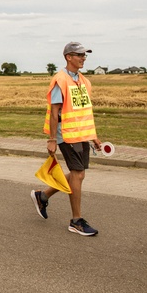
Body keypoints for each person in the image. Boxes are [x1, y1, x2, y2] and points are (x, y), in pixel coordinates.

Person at [32, 42, 103, 236]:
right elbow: (55, 112)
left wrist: (94, 136)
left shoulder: (84, 81)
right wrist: (52, 139)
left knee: (79, 175)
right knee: (78, 174)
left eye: (84, 55)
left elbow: (85, 112)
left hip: (82, 135)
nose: (83, 58)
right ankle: (76, 220)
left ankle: (43, 195)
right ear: (68, 57)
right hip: (66, 135)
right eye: (79, 54)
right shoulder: (60, 80)